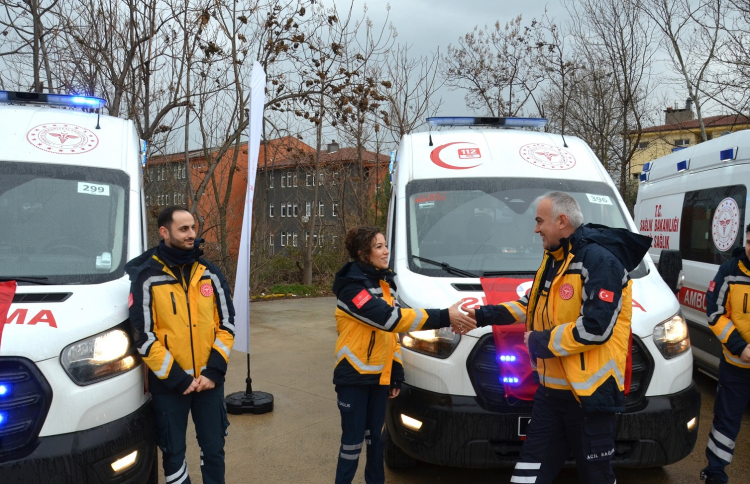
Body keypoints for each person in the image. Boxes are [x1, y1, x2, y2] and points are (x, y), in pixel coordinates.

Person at [466, 192, 650, 484]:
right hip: (550, 396)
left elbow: (596, 328)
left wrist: (538, 342)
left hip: (590, 400)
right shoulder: (555, 259)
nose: (535, 229)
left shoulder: (601, 262)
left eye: (540, 221)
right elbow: (529, 305)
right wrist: (480, 316)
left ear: (561, 221)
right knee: (528, 476)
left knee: (597, 478)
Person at [332, 226, 475, 484]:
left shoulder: (383, 284)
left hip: (379, 379)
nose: (386, 251)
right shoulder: (351, 289)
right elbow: (391, 320)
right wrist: (445, 316)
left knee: (377, 441)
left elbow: (392, 336)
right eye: (378, 247)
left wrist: (396, 372)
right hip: (353, 378)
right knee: (352, 444)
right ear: (363, 254)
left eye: (385, 245)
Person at [126, 206, 235, 484]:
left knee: (214, 449)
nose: (191, 234)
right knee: (173, 454)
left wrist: (213, 371)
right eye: (184, 229)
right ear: (164, 232)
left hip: (209, 382)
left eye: (193, 228)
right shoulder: (146, 277)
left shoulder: (210, 273)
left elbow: (227, 324)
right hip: (170, 385)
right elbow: (143, 336)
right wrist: (177, 378)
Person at [701, 223, 750, 484]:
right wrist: (740, 347)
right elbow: (714, 312)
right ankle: (715, 474)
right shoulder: (730, 272)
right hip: (736, 367)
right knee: (726, 423)